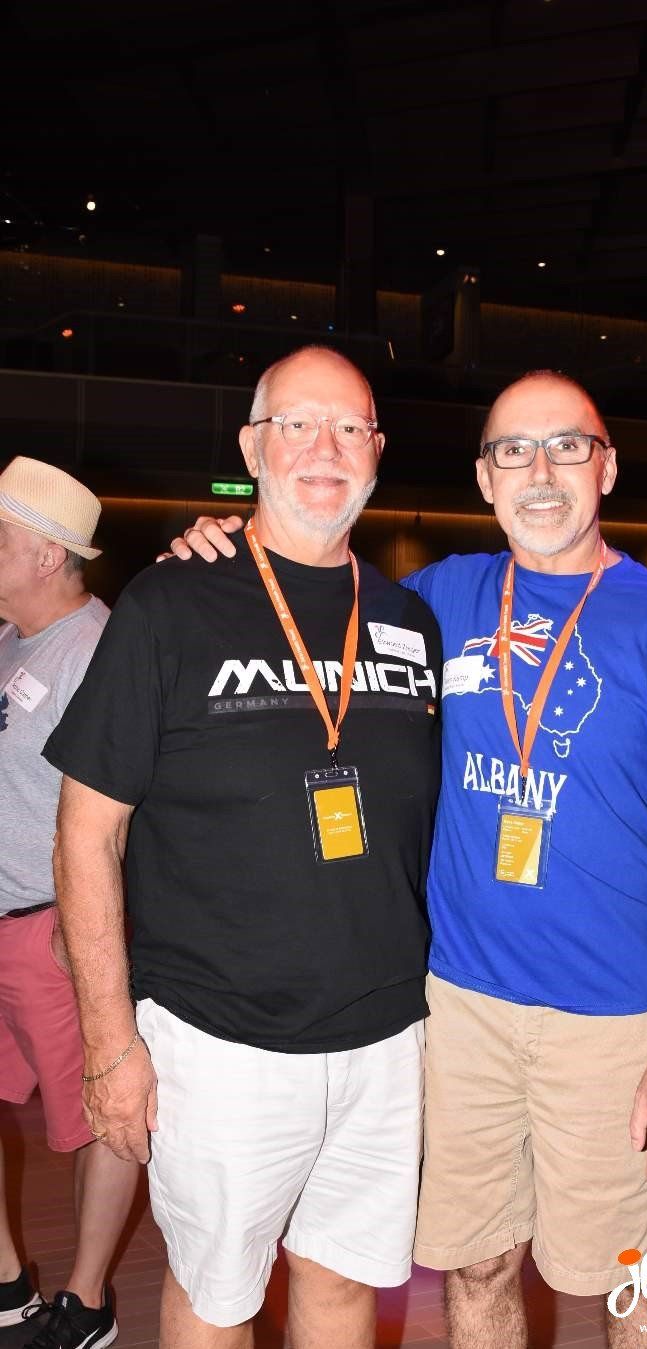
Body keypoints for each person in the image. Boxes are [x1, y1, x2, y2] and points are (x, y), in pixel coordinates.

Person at [174, 368, 647, 1349]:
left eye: (568, 444)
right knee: (475, 1259)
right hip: (456, 1009)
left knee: (629, 1270)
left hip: (609, 1017)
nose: (540, 469)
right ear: (484, 477)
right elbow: (301, 592)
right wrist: (218, 542)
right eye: (513, 449)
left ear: (606, 465)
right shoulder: (436, 599)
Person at [43, 347, 441, 1349]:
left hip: (386, 1037)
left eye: (350, 427)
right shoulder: (169, 606)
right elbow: (87, 831)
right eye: (297, 424)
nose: (325, 448)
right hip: (219, 1044)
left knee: (344, 1286)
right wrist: (109, 1043)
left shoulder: (408, 620)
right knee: (216, 1302)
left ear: (378, 453)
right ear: (252, 446)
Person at [0, 457, 139, 1349]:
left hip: (52, 929)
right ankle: (8, 1283)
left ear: (49, 554)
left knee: (104, 1118)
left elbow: (128, 818)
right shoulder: (10, 637)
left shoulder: (100, 652)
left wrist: (89, 935)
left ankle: (86, 1300)